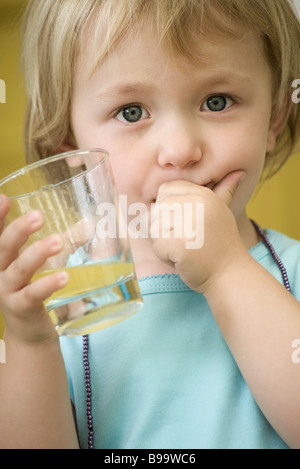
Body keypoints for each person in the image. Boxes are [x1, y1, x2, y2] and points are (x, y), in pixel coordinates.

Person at [0, 0, 300, 449]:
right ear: (70, 146)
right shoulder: (64, 298)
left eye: (216, 102)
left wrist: (226, 270)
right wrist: (28, 342)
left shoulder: (291, 273)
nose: (179, 150)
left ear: (275, 116)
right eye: (131, 112)